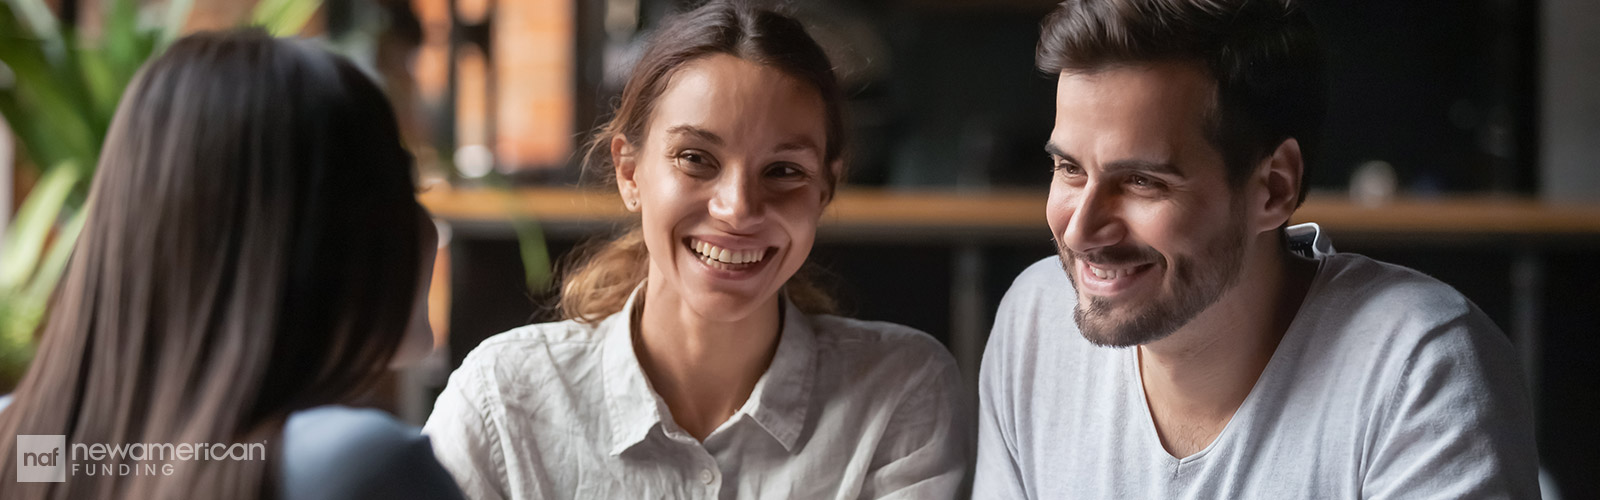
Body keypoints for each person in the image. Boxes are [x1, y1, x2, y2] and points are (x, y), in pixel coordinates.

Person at [973, 0, 1540, 498]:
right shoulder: (1036, 322)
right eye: (1069, 169)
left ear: (1273, 189)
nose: (1079, 231)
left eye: (1143, 181)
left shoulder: (1416, 366)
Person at [423, 2, 969, 498]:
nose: (738, 208)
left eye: (783, 171)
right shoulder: (502, 398)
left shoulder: (901, 390)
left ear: (824, 189)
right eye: (695, 158)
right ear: (629, 172)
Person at [0, 30, 462, 500]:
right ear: (322, 243)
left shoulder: (34, 448)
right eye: (407, 192)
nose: (428, 228)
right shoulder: (357, 469)